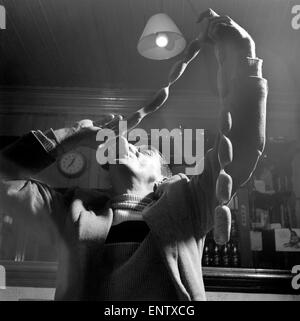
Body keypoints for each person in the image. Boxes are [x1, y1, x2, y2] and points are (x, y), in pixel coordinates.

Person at [0, 9, 267, 300]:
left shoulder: (190, 202)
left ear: (162, 177)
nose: (130, 144)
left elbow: (243, 143)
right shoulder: (72, 209)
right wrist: (72, 134)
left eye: (143, 149)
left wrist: (244, 54)